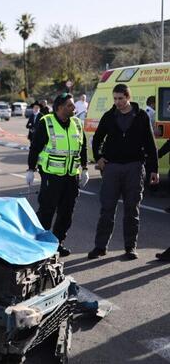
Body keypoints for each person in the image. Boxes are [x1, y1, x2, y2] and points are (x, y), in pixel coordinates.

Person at [88, 84, 159, 260]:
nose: (117, 102)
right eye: (115, 99)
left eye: (120, 98)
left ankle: (130, 248)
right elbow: (96, 139)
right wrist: (98, 158)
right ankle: (100, 247)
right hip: (111, 168)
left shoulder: (141, 116)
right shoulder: (109, 116)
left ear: (128, 97)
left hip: (134, 168)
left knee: (131, 209)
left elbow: (150, 145)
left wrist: (153, 170)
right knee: (107, 209)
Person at [26, 93, 88, 257]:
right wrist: (31, 169)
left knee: (67, 212)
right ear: (60, 108)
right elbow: (35, 147)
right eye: (70, 105)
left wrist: (85, 168)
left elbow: (82, 147)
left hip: (71, 175)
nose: (74, 108)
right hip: (51, 176)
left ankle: (57, 242)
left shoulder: (77, 123)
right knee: (47, 210)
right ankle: (40, 243)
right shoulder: (46, 122)